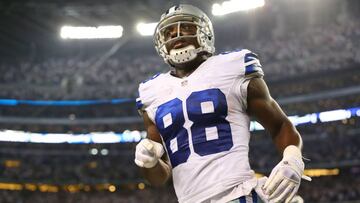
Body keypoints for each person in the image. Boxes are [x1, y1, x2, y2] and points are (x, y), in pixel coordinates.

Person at [135, 4, 310, 203]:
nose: (176, 36)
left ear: (205, 34)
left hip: (237, 194)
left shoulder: (234, 66)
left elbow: (279, 125)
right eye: (168, 32)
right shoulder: (150, 92)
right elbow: (161, 177)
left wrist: (293, 160)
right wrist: (148, 162)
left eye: (186, 28)